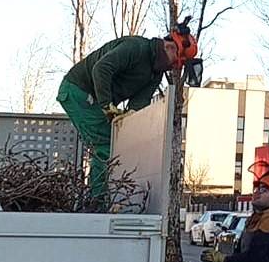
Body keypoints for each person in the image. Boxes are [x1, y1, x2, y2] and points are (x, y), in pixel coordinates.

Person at [57, 28, 197, 198]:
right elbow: (101, 69)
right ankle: (96, 203)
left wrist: (130, 122)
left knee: (118, 144)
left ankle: (99, 196)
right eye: (176, 61)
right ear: (170, 47)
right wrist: (107, 105)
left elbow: (138, 104)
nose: (173, 66)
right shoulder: (136, 47)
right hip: (77, 90)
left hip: (96, 99)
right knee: (105, 144)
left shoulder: (155, 75)